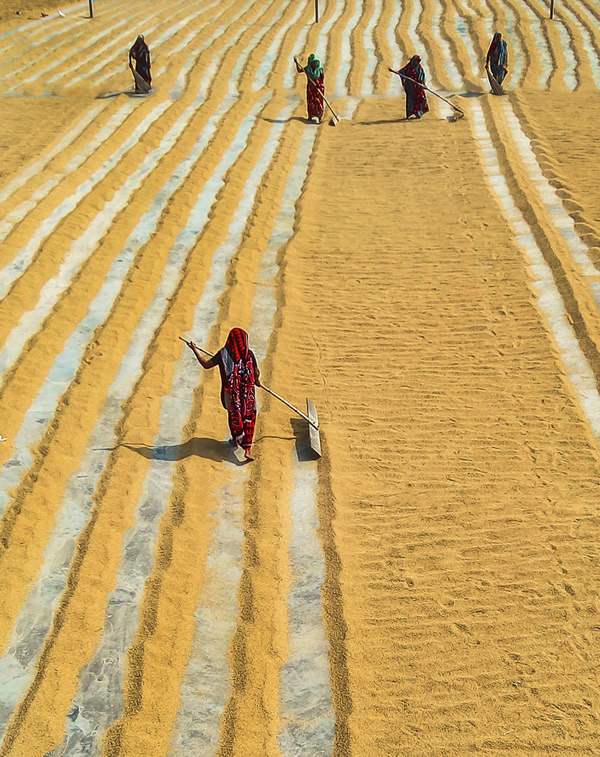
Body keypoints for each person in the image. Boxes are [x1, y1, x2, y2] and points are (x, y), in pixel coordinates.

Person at [185, 328, 260, 462]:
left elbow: (206, 364)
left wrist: (194, 350)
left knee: (234, 416)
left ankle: (236, 439)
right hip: (248, 395)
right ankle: (247, 449)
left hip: (231, 395)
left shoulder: (223, 354)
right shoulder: (250, 354)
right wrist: (257, 381)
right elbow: (256, 372)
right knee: (249, 417)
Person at [396, 55, 429, 119]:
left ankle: (418, 113)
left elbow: (422, 76)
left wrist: (423, 84)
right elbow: (402, 72)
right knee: (411, 100)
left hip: (418, 87)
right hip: (411, 87)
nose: (417, 63)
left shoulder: (419, 67)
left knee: (420, 99)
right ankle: (409, 114)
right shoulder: (408, 67)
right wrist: (399, 73)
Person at [295, 53, 325, 123]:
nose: (314, 64)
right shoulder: (307, 69)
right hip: (311, 89)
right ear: (310, 63)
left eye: (315, 63)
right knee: (310, 102)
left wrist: (319, 85)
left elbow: (322, 79)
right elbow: (299, 70)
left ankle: (319, 117)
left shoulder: (320, 70)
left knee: (318, 102)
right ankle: (310, 116)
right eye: (312, 63)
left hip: (318, 89)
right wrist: (297, 63)